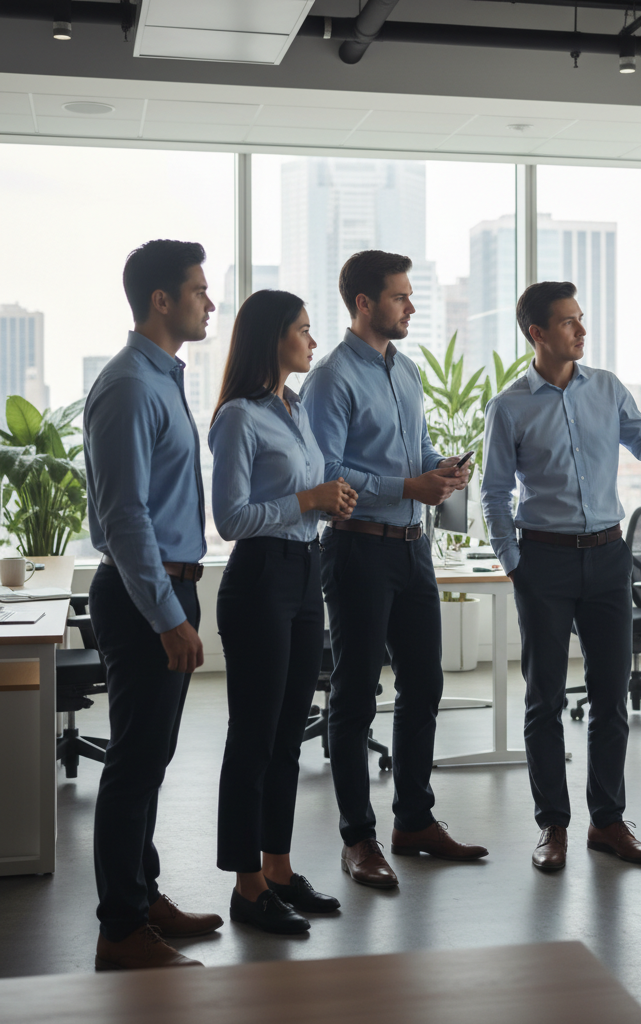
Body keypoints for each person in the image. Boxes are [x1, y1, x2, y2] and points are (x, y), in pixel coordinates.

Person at [480, 281, 641, 873]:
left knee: (611, 696)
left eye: (581, 319)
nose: (581, 331)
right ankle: (552, 827)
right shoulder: (509, 407)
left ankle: (607, 822)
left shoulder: (607, 389)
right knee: (544, 699)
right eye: (568, 322)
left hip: (609, 559)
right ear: (537, 333)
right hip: (545, 562)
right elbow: (493, 492)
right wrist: (515, 562)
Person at [300, 249, 487, 889]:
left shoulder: (404, 371)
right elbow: (323, 472)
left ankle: (413, 821)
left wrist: (443, 470)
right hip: (357, 549)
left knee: (423, 688)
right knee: (354, 698)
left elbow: (419, 451)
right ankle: (358, 839)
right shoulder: (329, 379)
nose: (411, 307)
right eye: (401, 297)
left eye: (410, 296)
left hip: (412, 547)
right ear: (364, 303)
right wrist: (408, 484)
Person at [84, 240, 222, 970]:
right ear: (161, 300)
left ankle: (144, 896)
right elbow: (127, 516)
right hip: (146, 593)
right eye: (199, 290)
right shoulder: (132, 386)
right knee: (135, 764)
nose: (209, 301)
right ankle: (122, 930)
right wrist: (168, 614)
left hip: (171, 584)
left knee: (152, 759)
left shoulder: (163, 379)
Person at [210, 290, 358, 933]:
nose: (312, 341)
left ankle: (277, 868)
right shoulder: (239, 418)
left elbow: (303, 495)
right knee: (254, 736)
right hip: (260, 576)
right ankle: (246, 889)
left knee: (289, 736)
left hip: (303, 575)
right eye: (302, 330)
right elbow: (231, 518)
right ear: (272, 338)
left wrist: (331, 502)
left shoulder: (295, 410)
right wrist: (307, 500)